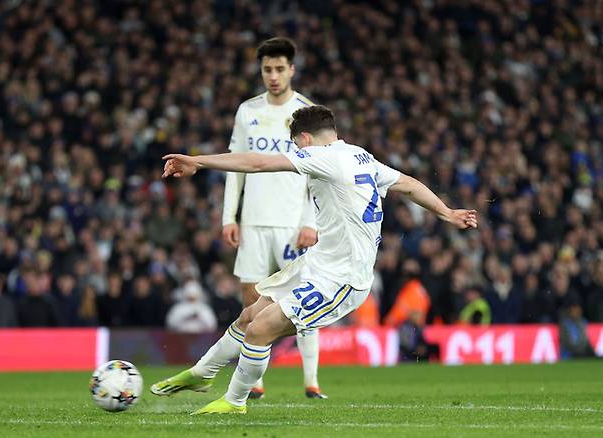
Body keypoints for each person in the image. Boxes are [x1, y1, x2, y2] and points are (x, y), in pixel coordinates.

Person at [151, 105, 477, 414]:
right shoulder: (361, 156)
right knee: (250, 315)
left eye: (297, 145)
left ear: (304, 139)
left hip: (342, 279)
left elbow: (258, 164)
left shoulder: (321, 156)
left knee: (260, 330)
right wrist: (446, 212)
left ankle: (234, 402)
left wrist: (200, 162)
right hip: (318, 262)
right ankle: (203, 372)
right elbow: (408, 184)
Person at [220, 37, 322, 399]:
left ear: (292, 69)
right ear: (261, 71)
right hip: (253, 223)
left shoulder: (308, 112)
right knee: (252, 303)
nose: (274, 76)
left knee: (306, 301)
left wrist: (311, 221)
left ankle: (311, 381)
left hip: (294, 224)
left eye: (280, 69)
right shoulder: (247, 111)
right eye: (267, 69)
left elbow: (317, 173)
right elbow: (235, 168)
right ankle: (255, 382)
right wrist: (228, 217)